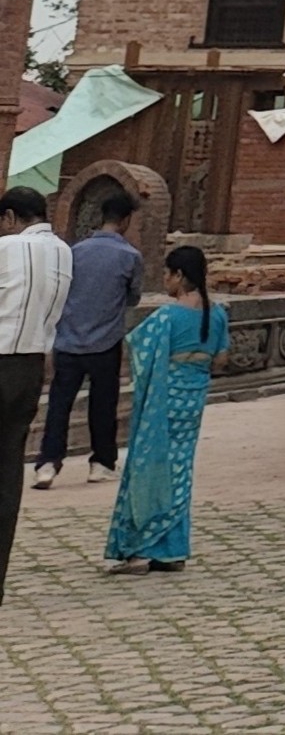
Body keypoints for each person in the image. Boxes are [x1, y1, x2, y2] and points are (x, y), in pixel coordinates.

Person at [102, 245, 230, 576]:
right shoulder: (216, 314)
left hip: (165, 400)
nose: (165, 279)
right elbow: (220, 359)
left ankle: (139, 551)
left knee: (150, 466)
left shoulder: (167, 317)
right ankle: (172, 550)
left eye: (168, 273)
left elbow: (138, 350)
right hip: (194, 399)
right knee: (181, 469)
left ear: (179, 276)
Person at [35, 195, 143, 490]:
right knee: (103, 404)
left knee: (60, 404)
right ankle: (101, 463)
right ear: (125, 221)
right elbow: (133, 297)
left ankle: (47, 463)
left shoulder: (75, 251)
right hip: (105, 342)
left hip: (68, 339)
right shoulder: (130, 256)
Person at [0, 186, 73, 601]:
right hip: (30, 366)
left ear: (10, 218)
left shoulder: (8, 248)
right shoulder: (64, 252)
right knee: (8, 472)